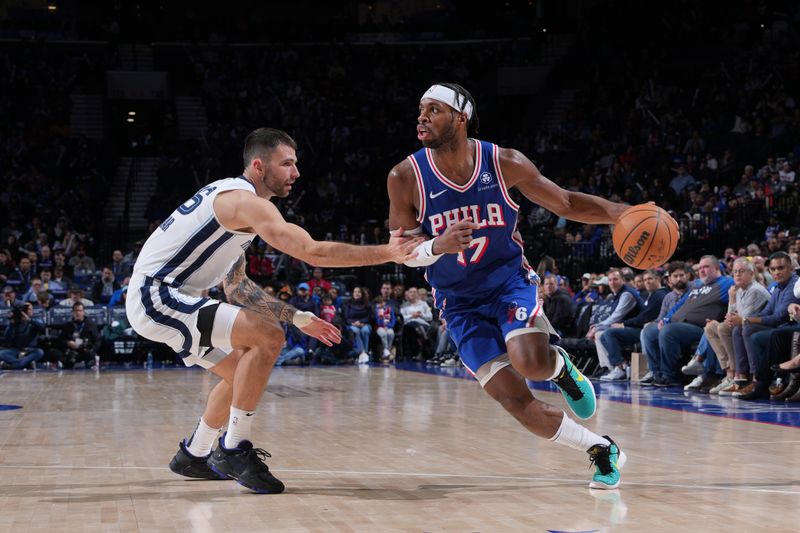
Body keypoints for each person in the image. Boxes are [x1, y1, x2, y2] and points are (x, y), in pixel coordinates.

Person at [126, 128, 420, 494]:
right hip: (159, 295)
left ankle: (195, 453)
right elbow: (312, 252)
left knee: (241, 376)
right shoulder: (245, 202)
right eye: (287, 164)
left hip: (164, 298)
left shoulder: (236, 212)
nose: (296, 173)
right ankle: (233, 448)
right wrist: (387, 253)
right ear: (259, 165)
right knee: (268, 337)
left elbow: (238, 288)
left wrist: (296, 316)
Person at [386, 83, 643, 489]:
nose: (421, 117)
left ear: (460, 117)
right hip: (457, 302)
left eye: (433, 109)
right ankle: (601, 449)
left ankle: (560, 368)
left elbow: (567, 203)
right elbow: (400, 249)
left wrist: (623, 212)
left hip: (507, 281)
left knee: (530, 362)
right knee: (515, 402)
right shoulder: (404, 176)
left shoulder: (503, 161)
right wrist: (437, 244)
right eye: (420, 109)